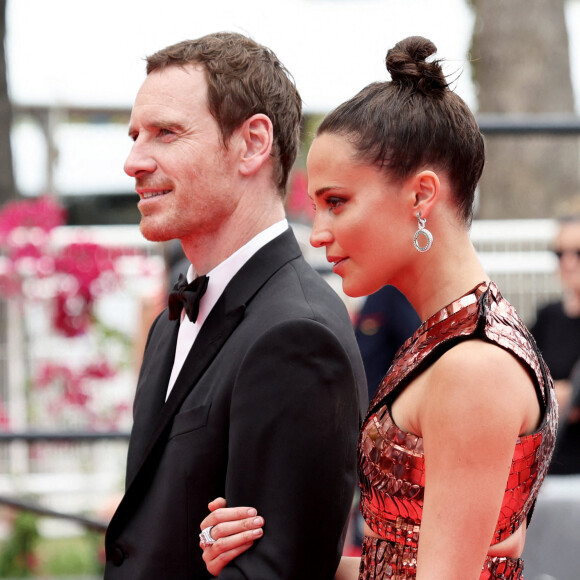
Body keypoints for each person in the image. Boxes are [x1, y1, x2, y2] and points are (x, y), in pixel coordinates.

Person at [197, 36, 558, 580]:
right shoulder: (449, 338)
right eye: (316, 207)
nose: (318, 235)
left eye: (337, 202)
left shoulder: (473, 362)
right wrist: (269, 549)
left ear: (421, 196)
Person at [103, 32, 368, 580]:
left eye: (165, 133)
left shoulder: (299, 333)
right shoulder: (168, 324)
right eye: (134, 136)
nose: (133, 161)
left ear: (252, 143)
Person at [531, 215, 580, 474]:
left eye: (578, 253)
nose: (569, 263)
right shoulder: (547, 317)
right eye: (561, 253)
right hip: (549, 470)